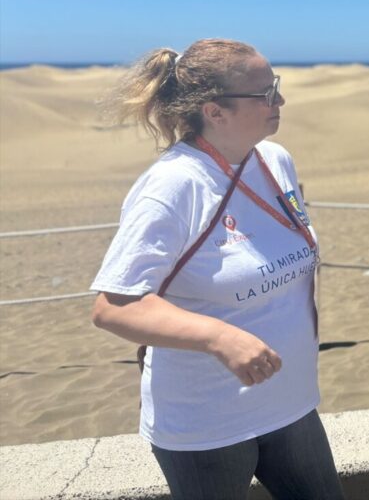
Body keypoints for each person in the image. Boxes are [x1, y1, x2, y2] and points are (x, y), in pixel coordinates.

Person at [90, 39, 345, 500]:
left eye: (276, 86)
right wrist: (219, 337)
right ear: (215, 111)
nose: (281, 100)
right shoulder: (174, 186)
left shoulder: (275, 161)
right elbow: (114, 306)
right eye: (266, 93)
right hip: (207, 424)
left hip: (291, 405)